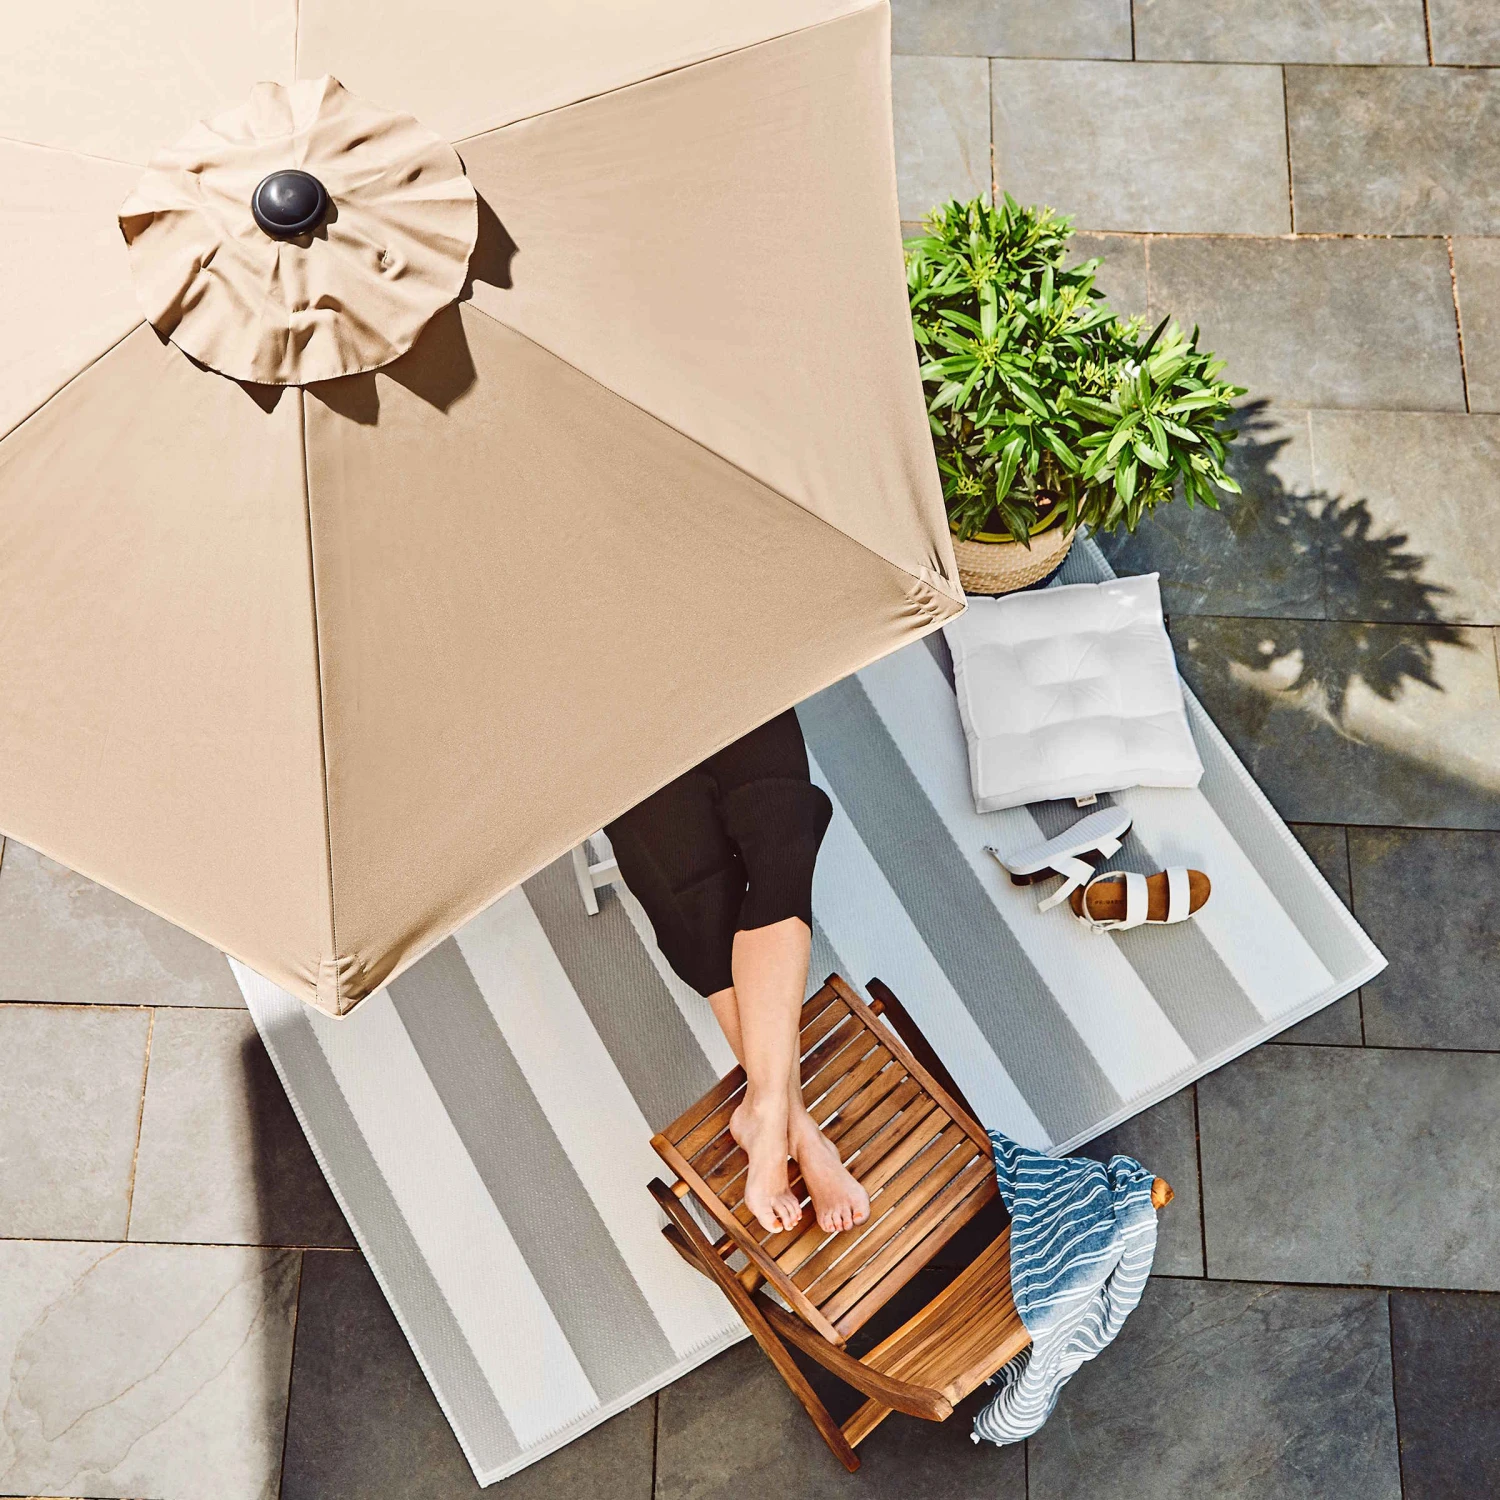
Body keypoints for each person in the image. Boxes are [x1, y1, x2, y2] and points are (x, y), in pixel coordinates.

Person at [606, 709, 870, 1237]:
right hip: (606, 721)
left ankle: (769, 1113)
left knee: (783, 843)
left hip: (720, 677)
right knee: (698, 900)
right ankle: (794, 1125)